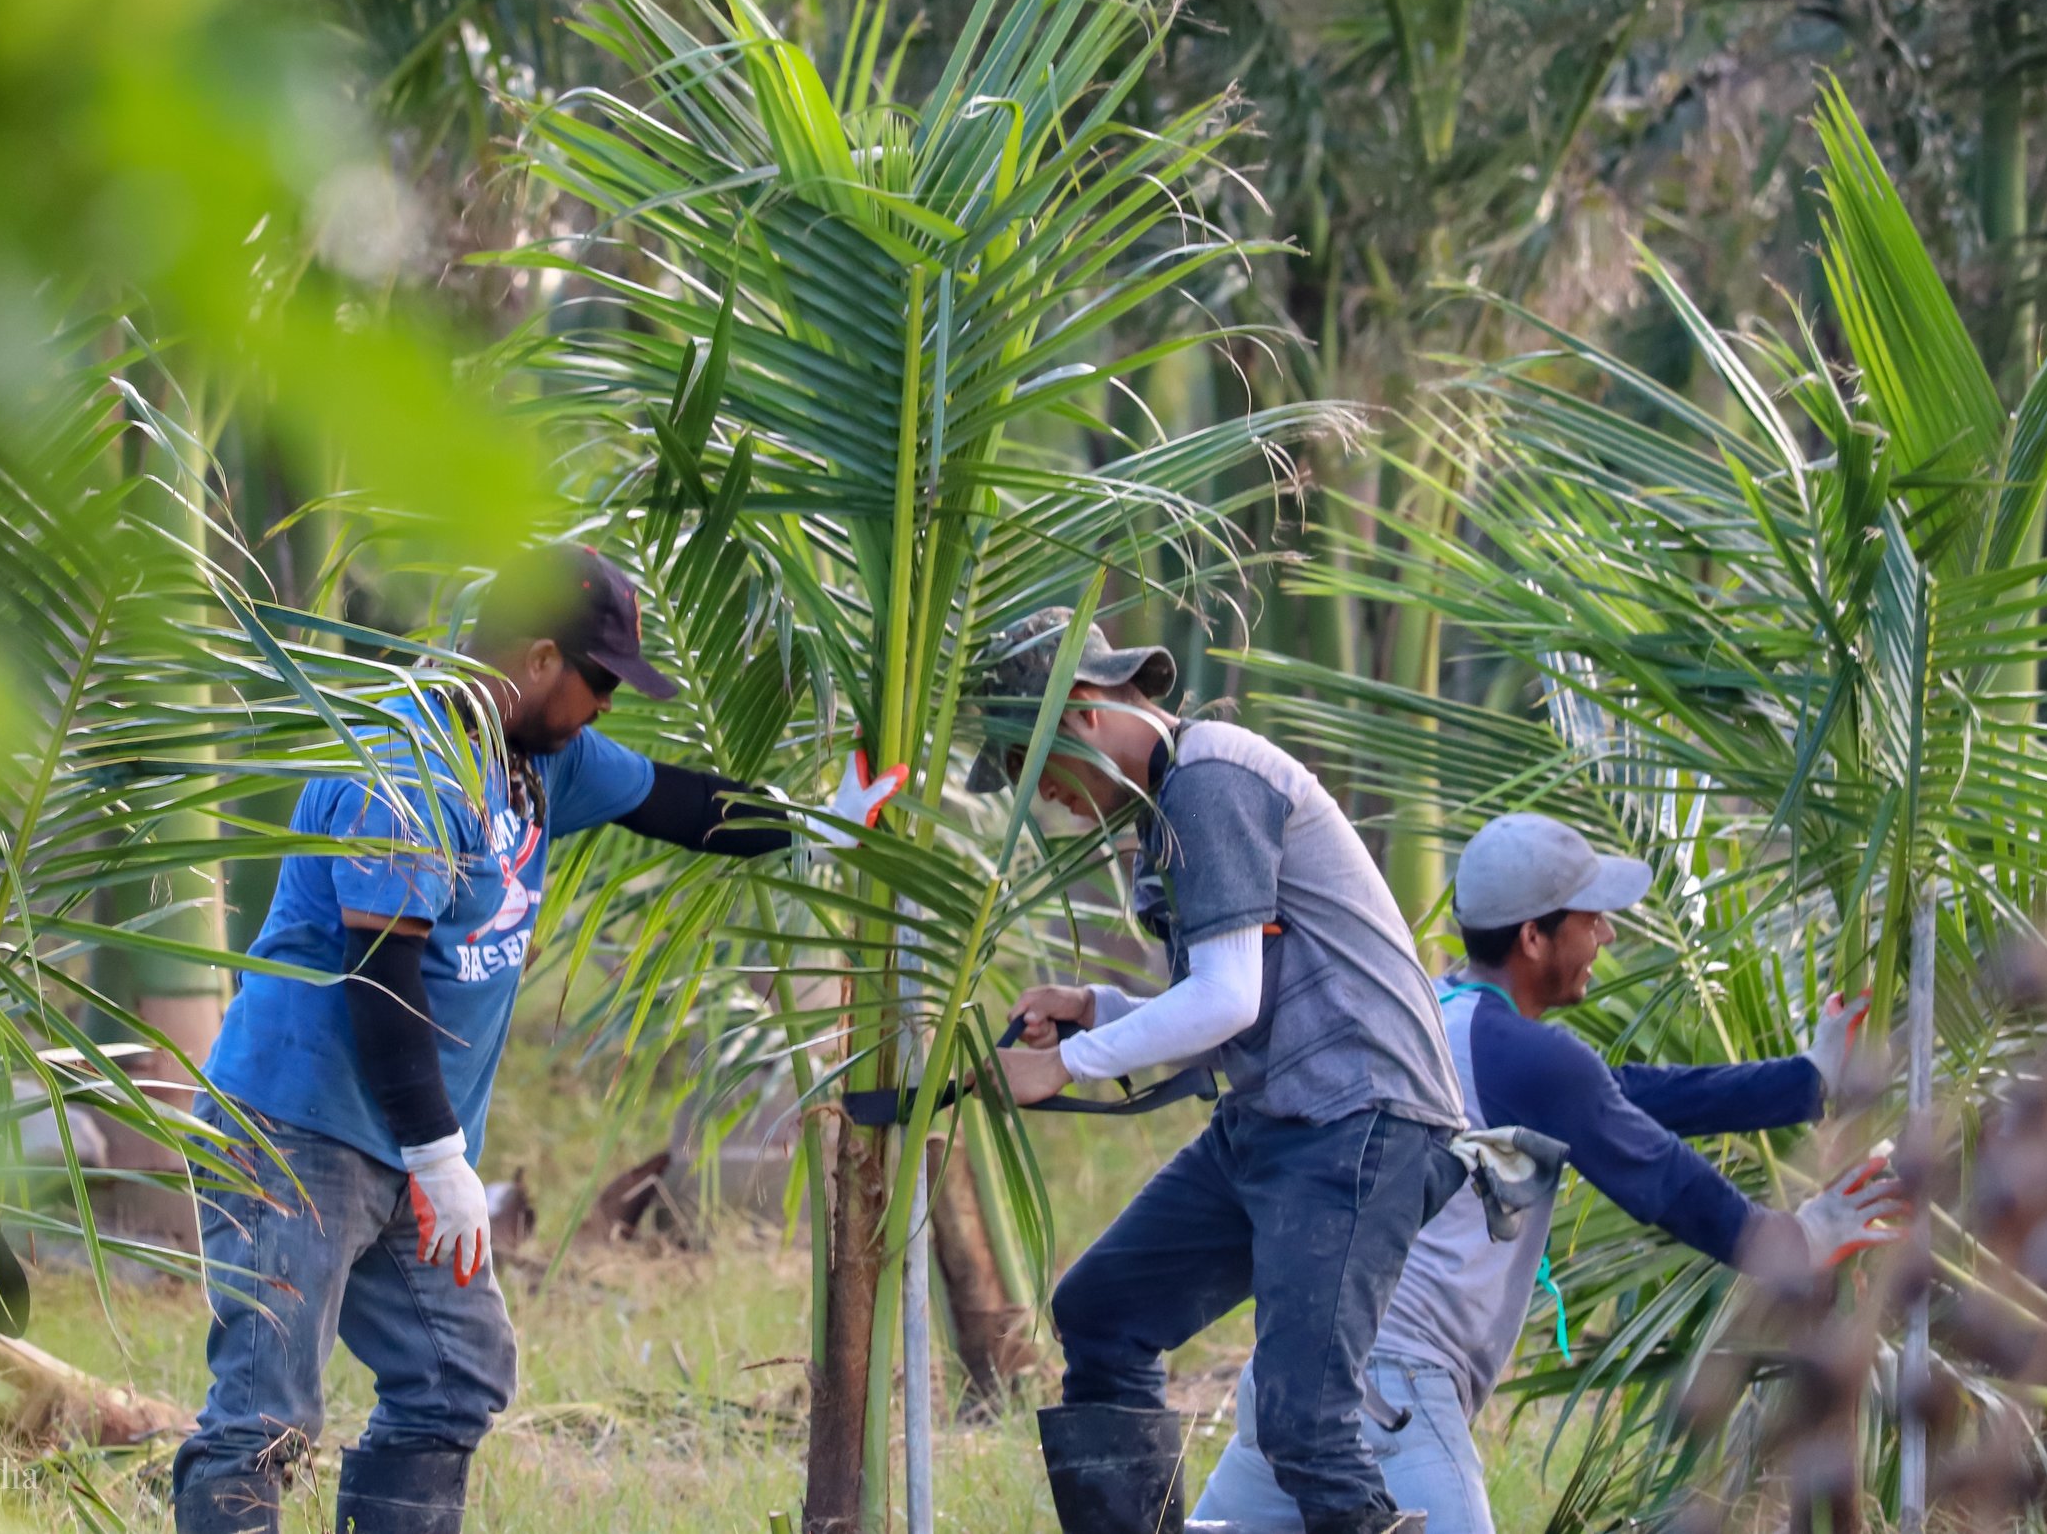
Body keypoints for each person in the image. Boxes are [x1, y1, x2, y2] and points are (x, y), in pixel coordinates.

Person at [170, 545, 903, 1534]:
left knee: (455, 1376)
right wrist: (441, 1157)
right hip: (296, 1133)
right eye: (601, 679)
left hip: (406, 1145)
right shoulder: (407, 767)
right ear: (540, 657)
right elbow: (378, 976)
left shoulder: (543, 759)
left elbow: (680, 802)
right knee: (265, 1417)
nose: (609, 704)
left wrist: (819, 821)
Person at [1190, 811, 1901, 1534]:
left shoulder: (1439, 1012)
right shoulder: (1526, 1058)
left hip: (1289, 1371)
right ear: (1534, 936)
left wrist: (1806, 1079)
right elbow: (1664, 1179)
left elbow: (1620, 1099)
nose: (1607, 937)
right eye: (1591, 921)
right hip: (1389, 1390)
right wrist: (1797, 1239)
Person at [969, 608, 1472, 1534]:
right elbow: (1233, 999)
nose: (1047, 800)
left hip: (1358, 1123)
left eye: (1034, 769)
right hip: (1278, 1124)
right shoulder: (1170, 803)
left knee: (1303, 1417)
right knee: (1104, 1311)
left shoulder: (1210, 778)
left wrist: (1069, 1064)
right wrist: (1097, 1008)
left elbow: (1227, 1000)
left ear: (1081, 714)